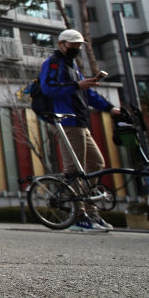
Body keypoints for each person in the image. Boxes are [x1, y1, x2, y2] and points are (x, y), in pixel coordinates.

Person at [39, 29, 121, 233]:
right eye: (72, 45)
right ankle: (78, 216)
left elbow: (88, 92)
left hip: (81, 121)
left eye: (78, 45)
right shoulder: (53, 63)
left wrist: (110, 108)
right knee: (74, 170)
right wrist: (77, 85)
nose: (75, 48)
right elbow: (48, 89)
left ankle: (91, 211)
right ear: (61, 44)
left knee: (96, 163)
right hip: (66, 121)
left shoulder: (72, 65)